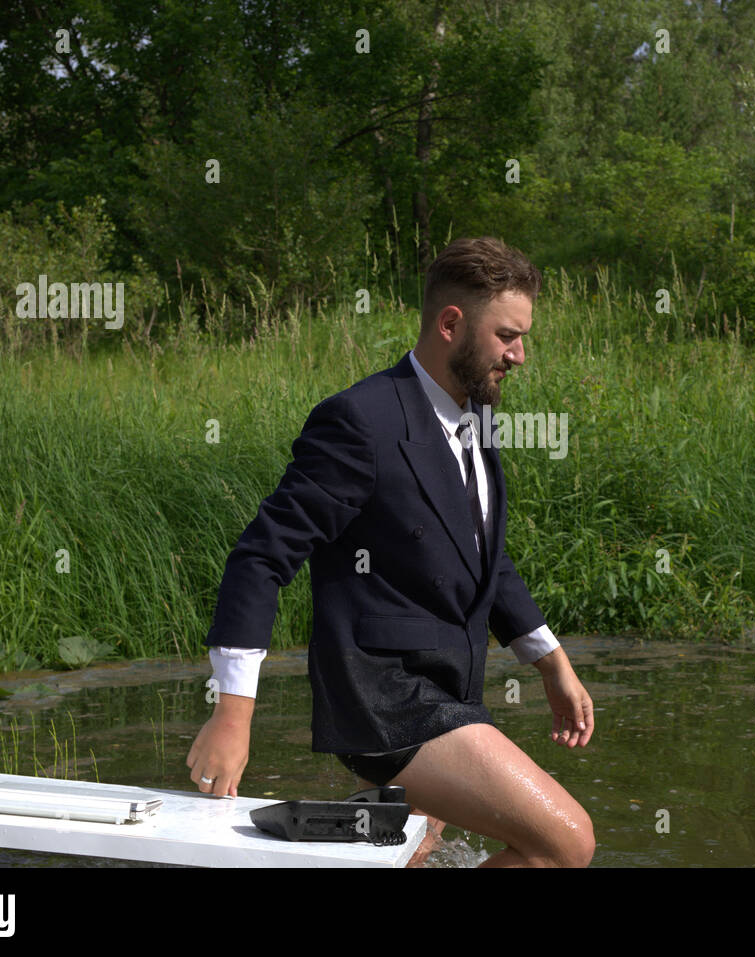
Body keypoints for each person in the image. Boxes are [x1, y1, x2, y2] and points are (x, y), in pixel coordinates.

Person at [186, 236, 595, 867]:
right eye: (508, 336)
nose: (520, 355)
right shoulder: (361, 421)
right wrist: (233, 716)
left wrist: (551, 662)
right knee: (565, 841)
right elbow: (262, 555)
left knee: (415, 856)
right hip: (384, 700)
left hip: (449, 692)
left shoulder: (476, 416)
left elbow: (486, 554)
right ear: (451, 324)